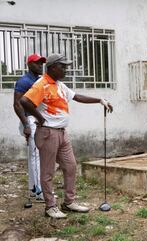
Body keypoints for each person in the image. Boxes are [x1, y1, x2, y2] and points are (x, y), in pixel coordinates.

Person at [20, 53, 113, 219]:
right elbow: (25, 101)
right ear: (52, 67)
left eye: (66, 66)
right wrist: (40, 118)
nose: (66, 69)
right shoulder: (41, 84)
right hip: (48, 132)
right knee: (48, 172)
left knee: (70, 166)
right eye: (62, 66)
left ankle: (69, 202)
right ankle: (50, 206)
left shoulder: (59, 85)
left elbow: (76, 96)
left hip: (62, 132)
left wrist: (100, 100)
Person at [13, 54, 46, 201]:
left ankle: (33, 189)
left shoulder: (39, 80)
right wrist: (26, 124)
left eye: (41, 63)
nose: (40, 65)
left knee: (34, 155)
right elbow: (17, 104)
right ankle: (40, 192)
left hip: (37, 120)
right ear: (29, 65)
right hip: (30, 121)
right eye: (37, 63)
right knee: (36, 156)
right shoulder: (24, 81)